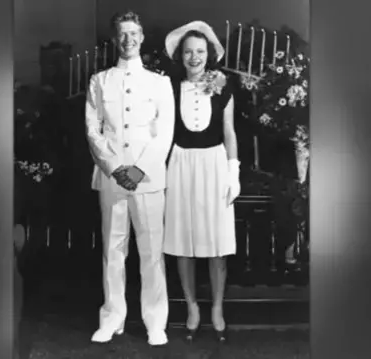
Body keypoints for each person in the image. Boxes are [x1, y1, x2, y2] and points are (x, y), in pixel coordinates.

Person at [85, 10, 175, 346]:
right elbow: (93, 130)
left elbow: (164, 133)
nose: (128, 40)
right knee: (113, 250)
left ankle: (155, 322)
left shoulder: (159, 83)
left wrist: (138, 170)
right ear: (114, 39)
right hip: (111, 178)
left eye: (133, 34)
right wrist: (113, 167)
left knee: (151, 252)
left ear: (142, 37)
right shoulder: (100, 81)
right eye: (122, 34)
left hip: (147, 178)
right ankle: (112, 318)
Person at [162, 21, 240, 343]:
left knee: (216, 246)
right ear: (181, 56)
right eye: (189, 52)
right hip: (180, 164)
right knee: (183, 244)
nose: (194, 57)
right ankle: (192, 307)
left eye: (200, 51)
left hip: (214, 164)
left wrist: (233, 172)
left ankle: (217, 308)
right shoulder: (167, 87)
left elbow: (229, 131)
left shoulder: (223, 85)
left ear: (209, 54)